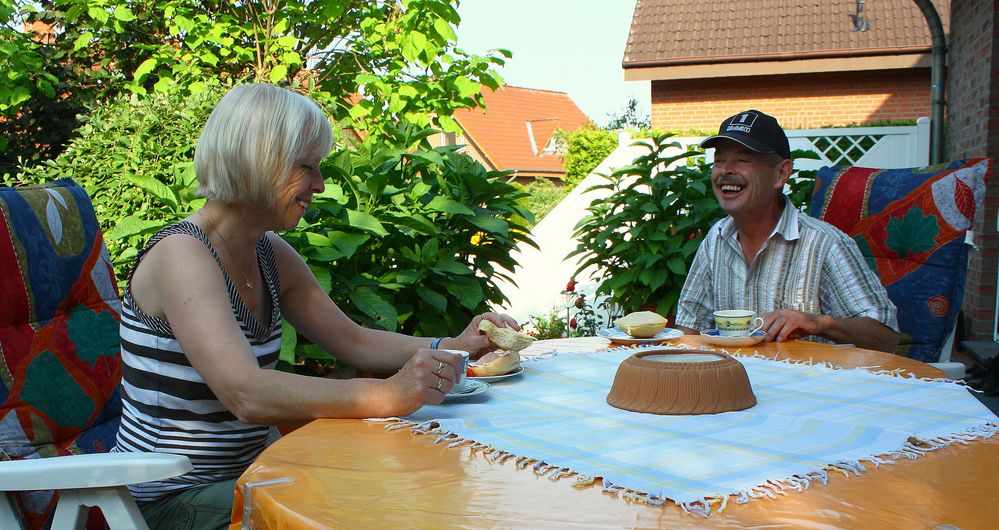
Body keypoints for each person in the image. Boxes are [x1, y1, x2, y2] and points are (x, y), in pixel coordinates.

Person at [112, 83, 519, 529]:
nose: (319, 184)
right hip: (164, 498)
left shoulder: (268, 252)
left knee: (401, 488)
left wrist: (457, 344)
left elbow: (355, 341)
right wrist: (388, 394)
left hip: (245, 477)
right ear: (257, 160)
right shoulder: (182, 253)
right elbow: (245, 393)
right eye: (307, 166)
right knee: (356, 509)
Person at [674, 109, 899, 353]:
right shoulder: (715, 239)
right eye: (719, 160)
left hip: (806, 386)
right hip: (734, 383)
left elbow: (885, 339)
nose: (725, 170)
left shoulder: (824, 243)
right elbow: (690, 328)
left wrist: (817, 322)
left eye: (742, 160)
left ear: (781, 173)